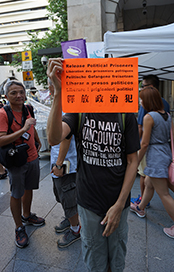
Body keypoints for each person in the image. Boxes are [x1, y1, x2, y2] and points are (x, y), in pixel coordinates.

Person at [46, 58, 140, 272]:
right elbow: (53, 138)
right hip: (88, 202)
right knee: (95, 260)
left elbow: (133, 160)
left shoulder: (126, 115)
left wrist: (119, 204)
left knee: (116, 260)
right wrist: (58, 94)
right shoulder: (79, 112)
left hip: (118, 201)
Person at [131, 86, 174, 240]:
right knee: (150, 183)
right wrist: (173, 157)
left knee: (163, 194)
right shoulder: (167, 115)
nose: (140, 102)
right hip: (165, 154)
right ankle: (140, 208)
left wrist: (136, 161)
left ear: (148, 100)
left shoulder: (149, 117)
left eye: (142, 99)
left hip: (155, 156)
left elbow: (144, 144)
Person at [0, 80, 45, 248]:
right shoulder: (3, 114)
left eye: (21, 92)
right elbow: (1, 140)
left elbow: (31, 128)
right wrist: (24, 130)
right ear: (6, 96)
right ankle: (19, 228)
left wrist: (37, 139)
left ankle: (27, 215)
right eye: (14, 93)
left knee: (29, 188)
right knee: (17, 193)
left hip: (32, 157)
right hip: (15, 160)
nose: (19, 95)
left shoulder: (28, 108)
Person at [48, 78, 80, 248]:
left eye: (52, 83)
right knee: (61, 196)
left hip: (67, 163)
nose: (49, 87)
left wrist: (59, 164)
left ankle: (76, 229)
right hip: (59, 161)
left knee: (68, 198)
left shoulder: (67, 105)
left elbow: (66, 138)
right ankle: (70, 220)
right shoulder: (59, 104)